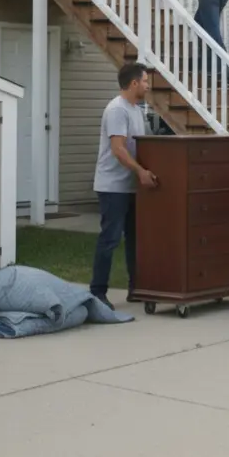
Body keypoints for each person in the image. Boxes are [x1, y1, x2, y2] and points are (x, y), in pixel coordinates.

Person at [91, 62, 159, 310]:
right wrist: (140, 171)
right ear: (133, 84)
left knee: (135, 239)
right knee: (110, 239)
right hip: (112, 187)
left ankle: (136, 288)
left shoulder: (137, 110)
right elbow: (118, 149)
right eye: (145, 81)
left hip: (131, 186)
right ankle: (97, 292)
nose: (147, 86)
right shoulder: (116, 110)